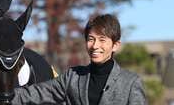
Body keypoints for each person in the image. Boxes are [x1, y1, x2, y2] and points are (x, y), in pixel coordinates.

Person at [12, 14, 147, 105]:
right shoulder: (73, 76)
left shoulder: (131, 82)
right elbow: (37, 93)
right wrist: (2, 97)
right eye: (91, 39)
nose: (95, 46)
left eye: (102, 40)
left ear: (115, 45)